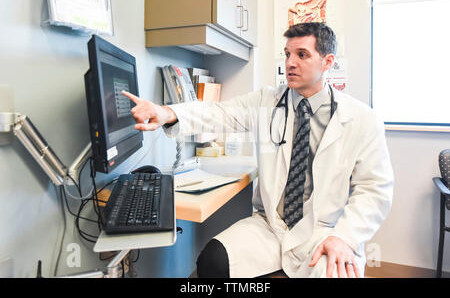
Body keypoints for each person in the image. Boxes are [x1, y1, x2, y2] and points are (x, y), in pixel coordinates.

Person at [122, 22, 394, 278]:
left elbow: (374, 189)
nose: (290, 63)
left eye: (302, 54)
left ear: (328, 62)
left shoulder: (362, 119)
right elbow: (219, 113)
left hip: (326, 231)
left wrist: (344, 237)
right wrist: (166, 112)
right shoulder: (267, 101)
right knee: (212, 261)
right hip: (270, 227)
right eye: (287, 54)